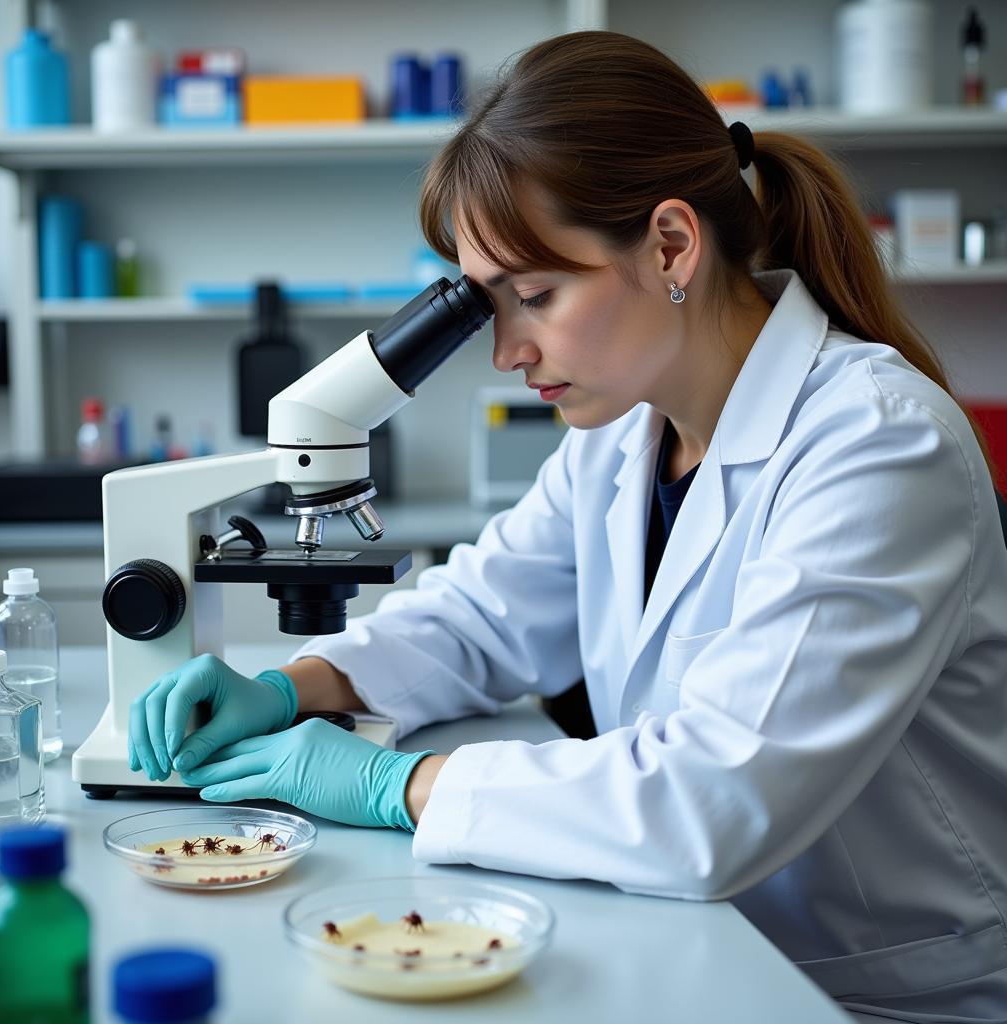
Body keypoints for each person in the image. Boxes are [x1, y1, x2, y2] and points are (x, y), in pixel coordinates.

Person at [128, 32, 1007, 1023]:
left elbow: (711, 797)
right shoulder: (625, 427)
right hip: (699, 941)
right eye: (484, 303)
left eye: (535, 295)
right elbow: (485, 614)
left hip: (877, 988)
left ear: (671, 244)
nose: (506, 349)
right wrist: (297, 686)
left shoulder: (879, 447)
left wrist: (397, 785)